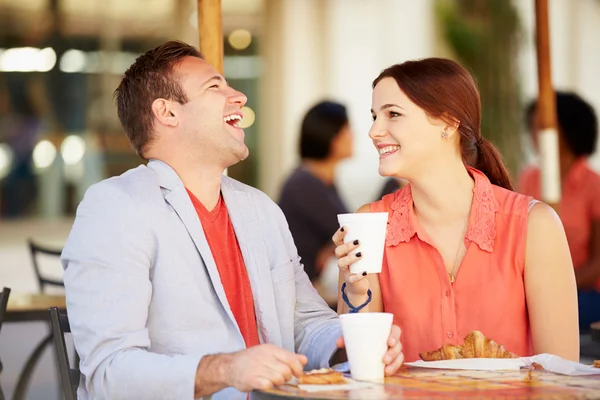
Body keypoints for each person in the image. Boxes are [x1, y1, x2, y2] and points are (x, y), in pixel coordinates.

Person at [60, 41, 403, 400]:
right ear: (167, 112)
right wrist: (226, 368)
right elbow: (109, 373)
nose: (238, 95)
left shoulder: (260, 209)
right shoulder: (117, 207)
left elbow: (304, 322)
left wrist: (346, 340)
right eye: (214, 86)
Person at [332, 58, 579, 363]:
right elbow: (363, 368)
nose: (373, 131)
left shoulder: (534, 226)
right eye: (373, 116)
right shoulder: (369, 223)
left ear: (448, 123)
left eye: (393, 114)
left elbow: (560, 376)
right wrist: (354, 291)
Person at [518, 92, 600, 334]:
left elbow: (598, 263)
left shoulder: (593, 185)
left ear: (565, 129)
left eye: (540, 125)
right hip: (534, 285)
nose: (534, 133)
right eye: (532, 126)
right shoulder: (530, 178)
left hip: (585, 291)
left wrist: (554, 285)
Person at [279, 101, 352, 289]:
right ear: (331, 136)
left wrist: (331, 246)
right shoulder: (304, 184)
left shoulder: (322, 180)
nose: (352, 137)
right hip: (305, 291)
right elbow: (350, 230)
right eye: (347, 130)